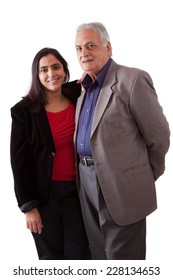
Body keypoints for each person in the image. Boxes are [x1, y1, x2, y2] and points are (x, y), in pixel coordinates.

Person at [74, 22, 170, 260]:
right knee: (98, 256)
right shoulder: (84, 88)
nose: (83, 53)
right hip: (85, 181)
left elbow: (159, 137)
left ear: (108, 47)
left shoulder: (133, 79)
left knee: (123, 261)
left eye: (90, 46)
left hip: (123, 187)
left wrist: (144, 176)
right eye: (78, 48)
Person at [10, 47, 89, 260]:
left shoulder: (77, 95)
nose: (51, 74)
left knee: (81, 256)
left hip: (76, 193)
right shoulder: (23, 111)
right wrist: (28, 207)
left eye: (56, 67)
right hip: (44, 197)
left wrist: (90, 75)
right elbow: (19, 162)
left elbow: (92, 78)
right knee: (52, 259)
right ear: (37, 75)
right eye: (43, 70)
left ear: (64, 69)